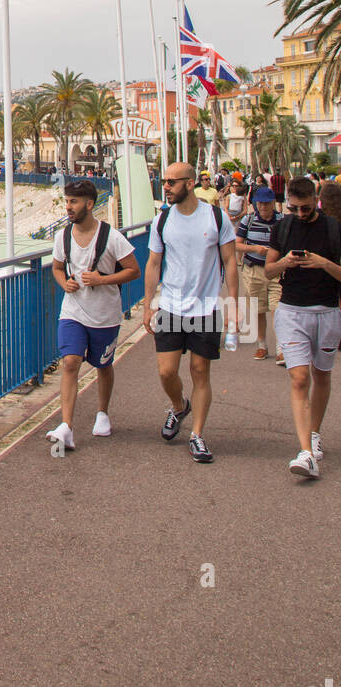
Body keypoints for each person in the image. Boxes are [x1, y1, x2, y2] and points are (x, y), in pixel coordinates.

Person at [142, 162, 238, 463]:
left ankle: (197, 435)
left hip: (206, 306)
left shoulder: (216, 217)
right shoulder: (162, 220)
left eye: (172, 182)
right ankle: (179, 406)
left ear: (190, 183)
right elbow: (153, 263)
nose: (166, 186)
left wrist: (233, 302)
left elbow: (231, 261)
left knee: (200, 371)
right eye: (165, 181)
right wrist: (147, 304)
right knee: (166, 371)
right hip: (170, 304)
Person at [46, 179, 140, 449]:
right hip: (73, 310)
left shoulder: (112, 237)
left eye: (73, 202)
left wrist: (102, 280)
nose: (68, 207)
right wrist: (65, 284)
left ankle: (102, 413)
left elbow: (133, 270)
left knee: (103, 365)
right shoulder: (62, 236)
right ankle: (66, 426)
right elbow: (56, 267)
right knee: (71, 361)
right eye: (66, 201)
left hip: (105, 315)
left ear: (89, 204)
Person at [265, 177, 341, 478]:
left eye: (305, 209)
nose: (299, 214)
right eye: (294, 208)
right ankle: (306, 452)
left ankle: (314, 433)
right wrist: (285, 263)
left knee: (321, 374)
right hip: (292, 311)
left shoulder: (334, 229)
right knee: (299, 378)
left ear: (316, 200)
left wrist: (324, 264)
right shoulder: (281, 228)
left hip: (327, 312)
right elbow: (269, 271)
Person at [235, 186, 281, 361]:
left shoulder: (282, 220)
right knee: (258, 309)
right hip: (254, 269)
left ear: (273, 203)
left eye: (267, 204)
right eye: (260, 203)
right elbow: (236, 244)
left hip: (276, 271)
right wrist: (255, 249)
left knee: (278, 309)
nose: (263, 207)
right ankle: (262, 345)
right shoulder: (248, 220)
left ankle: (281, 347)